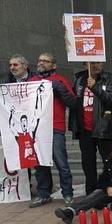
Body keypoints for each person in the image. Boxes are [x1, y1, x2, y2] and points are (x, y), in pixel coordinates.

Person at [29, 53, 76, 207]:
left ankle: (68, 193)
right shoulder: (32, 81)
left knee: (61, 163)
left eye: (45, 61)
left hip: (55, 127)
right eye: (40, 60)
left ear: (53, 65)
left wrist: (61, 89)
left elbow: (73, 103)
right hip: (37, 129)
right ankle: (44, 194)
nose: (41, 62)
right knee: (40, 163)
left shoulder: (60, 80)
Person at [70, 62, 112, 195]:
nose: (95, 66)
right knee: (88, 163)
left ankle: (110, 189)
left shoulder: (108, 80)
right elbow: (74, 101)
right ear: (86, 65)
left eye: (98, 63)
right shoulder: (79, 80)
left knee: (108, 161)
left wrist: (95, 87)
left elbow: (111, 99)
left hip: (103, 128)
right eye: (92, 63)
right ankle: (91, 192)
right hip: (85, 129)